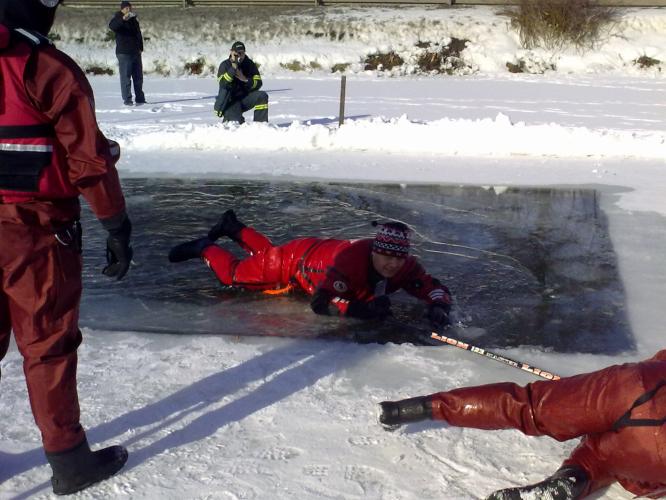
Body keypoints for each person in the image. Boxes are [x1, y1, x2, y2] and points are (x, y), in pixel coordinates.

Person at [0, 0, 133, 494]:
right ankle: (69, 461)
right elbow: (89, 160)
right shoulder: (45, 67)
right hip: (34, 230)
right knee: (48, 346)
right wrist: (115, 224)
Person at [378, 350, 666, 499]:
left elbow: (522, 405)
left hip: (639, 396)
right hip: (656, 470)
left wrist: (431, 405)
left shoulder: (635, 380)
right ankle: (577, 476)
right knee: (620, 450)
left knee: (530, 405)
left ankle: (419, 408)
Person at [168, 210, 452, 326]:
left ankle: (232, 227)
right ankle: (204, 246)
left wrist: (439, 306)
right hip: (293, 264)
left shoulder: (404, 266)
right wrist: (359, 310)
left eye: (398, 259)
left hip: (311, 249)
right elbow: (322, 303)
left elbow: (432, 287)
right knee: (233, 276)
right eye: (385, 256)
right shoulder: (347, 265)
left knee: (268, 253)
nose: (392, 264)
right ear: (374, 251)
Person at [213, 41, 268, 123]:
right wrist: (233, 68)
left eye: (241, 53)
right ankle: (228, 120)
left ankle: (260, 125)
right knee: (236, 124)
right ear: (231, 52)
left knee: (262, 96)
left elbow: (259, 83)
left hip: (245, 99)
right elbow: (223, 84)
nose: (239, 55)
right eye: (236, 53)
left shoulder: (249, 64)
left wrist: (245, 79)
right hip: (230, 101)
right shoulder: (225, 65)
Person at [108, 1, 145, 106]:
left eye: (129, 8)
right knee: (126, 77)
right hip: (124, 53)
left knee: (138, 77)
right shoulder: (117, 18)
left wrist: (140, 47)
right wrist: (123, 19)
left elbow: (138, 34)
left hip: (136, 52)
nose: (128, 10)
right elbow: (112, 26)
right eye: (126, 8)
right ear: (122, 9)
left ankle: (140, 99)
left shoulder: (134, 20)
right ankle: (127, 100)